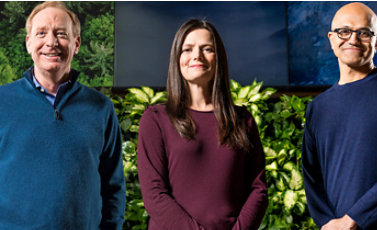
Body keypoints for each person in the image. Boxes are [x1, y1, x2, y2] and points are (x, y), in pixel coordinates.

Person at [0, 2, 125, 229]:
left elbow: (113, 187)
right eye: (41, 33)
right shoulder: (2, 102)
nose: (51, 42)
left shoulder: (101, 108)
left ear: (76, 44)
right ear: (28, 43)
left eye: (61, 34)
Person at [137, 19, 268, 230]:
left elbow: (258, 189)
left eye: (207, 49)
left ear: (218, 59)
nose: (196, 56)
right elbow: (154, 195)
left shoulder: (242, 119)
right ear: (177, 59)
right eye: (187, 49)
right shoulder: (155, 119)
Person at [302, 2, 377, 230]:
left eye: (364, 33)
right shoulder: (318, 108)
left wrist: (353, 219)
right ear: (331, 39)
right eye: (344, 31)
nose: (353, 39)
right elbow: (312, 177)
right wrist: (328, 224)